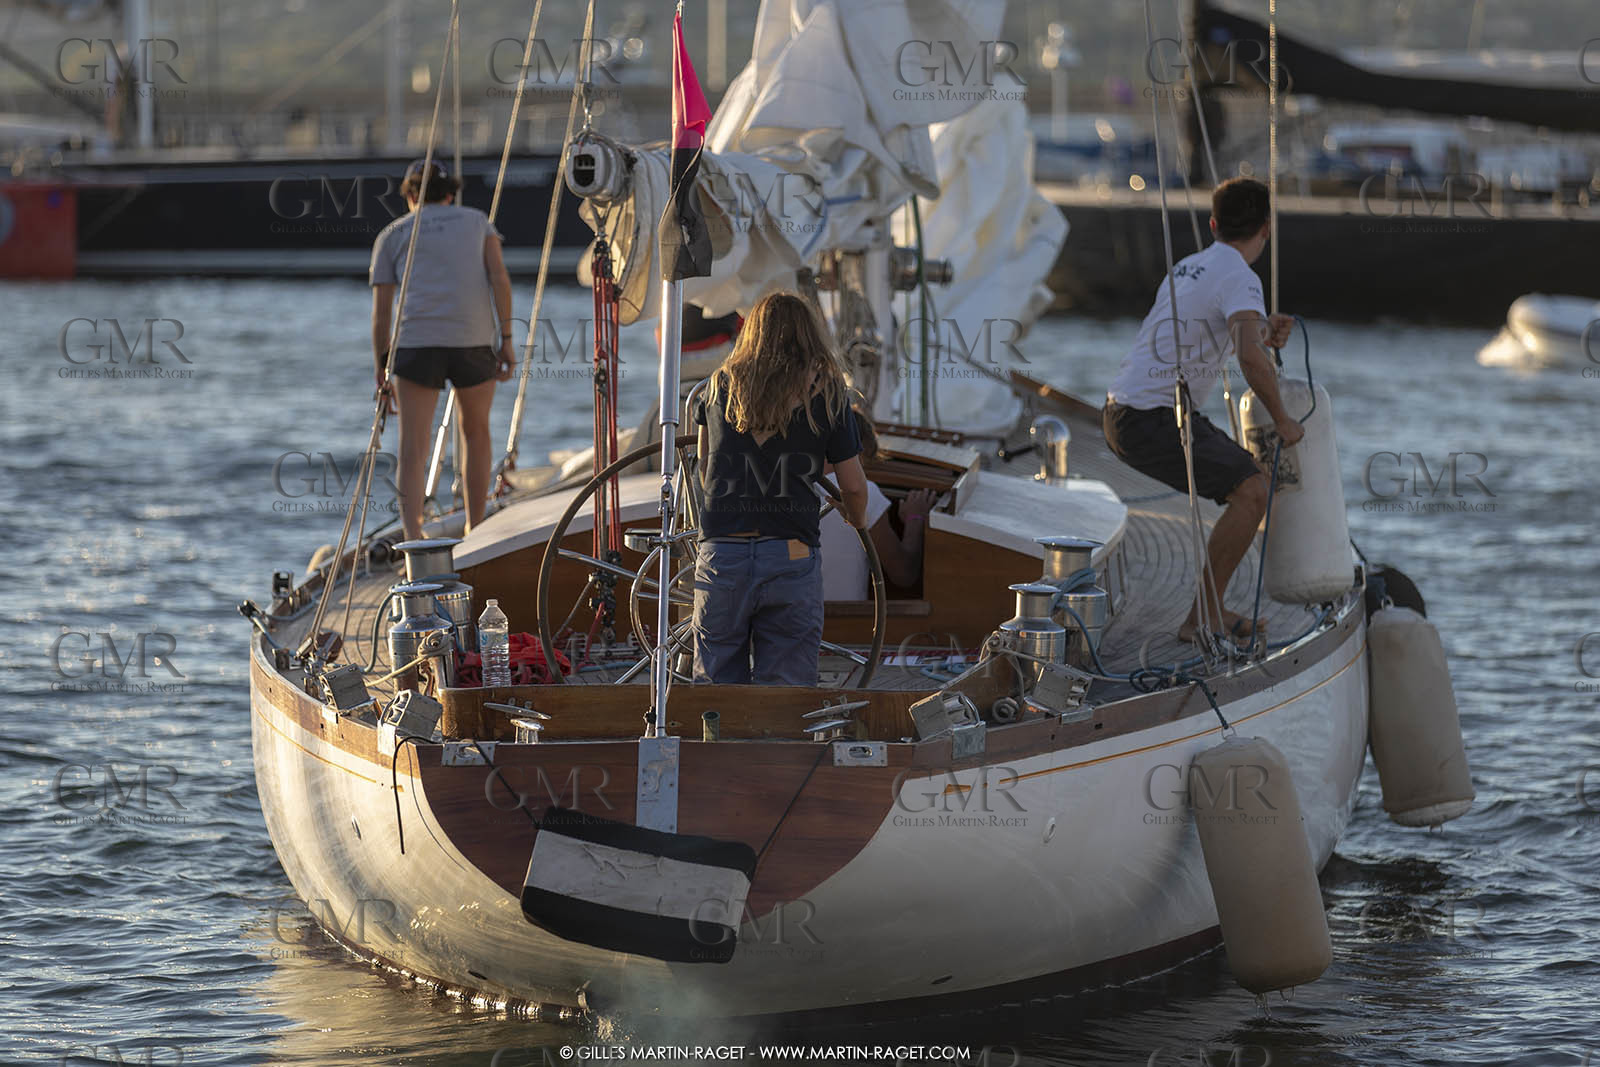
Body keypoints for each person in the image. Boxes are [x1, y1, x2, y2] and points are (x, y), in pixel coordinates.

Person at [1101, 176, 1302, 644]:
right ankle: (1201, 618)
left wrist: (1258, 327)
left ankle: (1209, 611)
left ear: (1213, 224)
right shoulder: (1240, 276)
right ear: (1266, 228)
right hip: (1152, 418)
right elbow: (1251, 358)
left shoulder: (1188, 266)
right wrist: (1283, 420)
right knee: (1253, 492)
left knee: (1248, 486)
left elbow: (1208, 337)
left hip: (1120, 412)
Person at [692, 292, 869, 685]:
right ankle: (778, 745)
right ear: (811, 337)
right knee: (785, 696)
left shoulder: (719, 387)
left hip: (723, 553)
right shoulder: (828, 396)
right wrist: (854, 518)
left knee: (715, 693)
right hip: (790, 555)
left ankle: (716, 743)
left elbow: (707, 470)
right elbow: (854, 486)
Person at [370, 159, 516, 540]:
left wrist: (381, 369)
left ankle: (413, 537)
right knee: (477, 433)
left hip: (416, 347)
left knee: (413, 447)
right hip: (474, 342)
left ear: (411, 195)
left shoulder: (393, 234)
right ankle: (475, 527)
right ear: (451, 193)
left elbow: (382, 314)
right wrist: (508, 341)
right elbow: (499, 279)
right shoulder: (478, 223)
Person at [817, 409, 938, 599]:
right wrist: (916, 519)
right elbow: (903, 573)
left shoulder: (786, 488)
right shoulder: (865, 493)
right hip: (844, 623)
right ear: (856, 451)